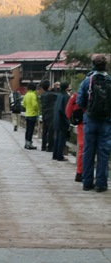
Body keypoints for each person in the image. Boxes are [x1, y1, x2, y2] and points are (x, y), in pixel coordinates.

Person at [77, 55, 111, 192]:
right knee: (103, 153)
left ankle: (87, 183)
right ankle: (101, 184)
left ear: (93, 65)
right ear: (106, 66)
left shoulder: (87, 82)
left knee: (88, 151)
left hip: (90, 120)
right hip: (107, 121)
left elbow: (80, 102)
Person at [65, 92, 84, 182]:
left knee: (82, 148)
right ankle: (101, 177)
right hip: (102, 123)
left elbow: (68, 110)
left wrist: (73, 119)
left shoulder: (78, 94)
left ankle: (80, 173)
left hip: (83, 123)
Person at [52, 81, 71, 161]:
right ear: (67, 87)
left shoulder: (59, 95)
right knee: (62, 139)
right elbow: (66, 110)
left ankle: (55, 155)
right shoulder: (66, 96)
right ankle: (60, 156)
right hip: (62, 119)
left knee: (57, 138)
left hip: (57, 119)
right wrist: (68, 121)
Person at [40, 79, 57, 151]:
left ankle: (43, 146)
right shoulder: (50, 95)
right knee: (51, 131)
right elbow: (58, 95)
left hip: (45, 114)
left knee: (45, 131)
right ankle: (50, 147)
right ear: (49, 86)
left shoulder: (43, 95)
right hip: (50, 115)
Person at [23, 82, 40, 149]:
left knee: (28, 129)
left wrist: (28, 108)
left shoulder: (26, 94)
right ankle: (29, 144)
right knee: (31, 129)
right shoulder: (33, 95)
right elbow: (35, 105)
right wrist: (37, 109)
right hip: (33, 114)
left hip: (27, 113)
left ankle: (26, 143)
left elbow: (24, 104)